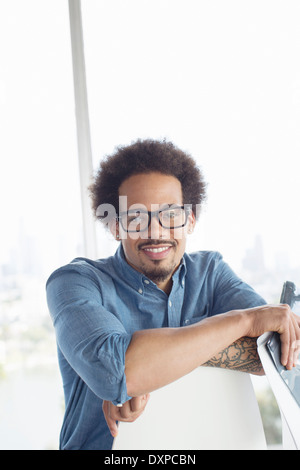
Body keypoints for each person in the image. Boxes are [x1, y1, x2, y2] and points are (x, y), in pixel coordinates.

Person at [46, 138, 300, 450]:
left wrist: (146, 367)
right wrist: (243, 321)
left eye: (171, 214)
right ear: (115, 226)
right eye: (137, 217)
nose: (156, 232)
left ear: (190, 220)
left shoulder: (211, 272)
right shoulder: (74, 282)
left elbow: (276, 354)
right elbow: (116, 373)